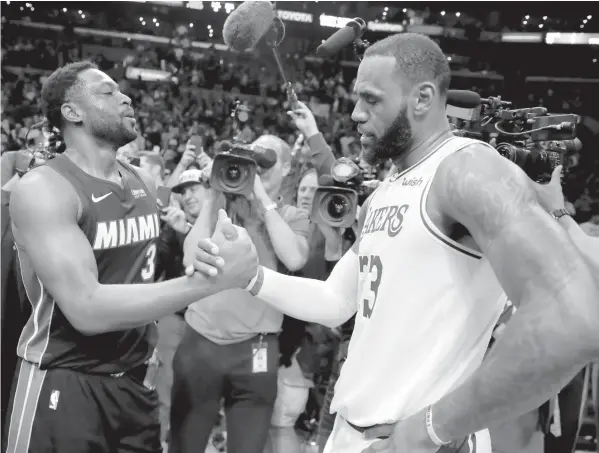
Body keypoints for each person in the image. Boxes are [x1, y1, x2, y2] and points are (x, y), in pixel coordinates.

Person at [189, 33, 599, 453]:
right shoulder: (385, 191)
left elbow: (572, 318)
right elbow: (335, 301)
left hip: (411, 439)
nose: (355, 114)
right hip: (352, 433)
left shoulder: (467, 169)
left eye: (371, 100)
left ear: (422, 99)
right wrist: (253, 277)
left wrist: (430, 431)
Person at [4, 61, 258, 453]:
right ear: (71, 113)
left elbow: (148, 276)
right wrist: (210, 283)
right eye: (107, 92)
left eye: (121, 90)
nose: (124, 97)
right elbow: (86, 309)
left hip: (136, 385)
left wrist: (209, 254)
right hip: (64, 381)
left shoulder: (145, 182)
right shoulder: (44, 188)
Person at [170, 134, 310, 453]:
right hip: (201, 342)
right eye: (251, 163)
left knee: (248, 447)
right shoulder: (218, 209)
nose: (256, 169)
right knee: (184, 444)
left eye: (266, 162)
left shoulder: (291, 217)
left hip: (256, 349)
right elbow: (190, 259)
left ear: (287, 167)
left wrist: (261, 197)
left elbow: (295, 257)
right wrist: (212, 198)